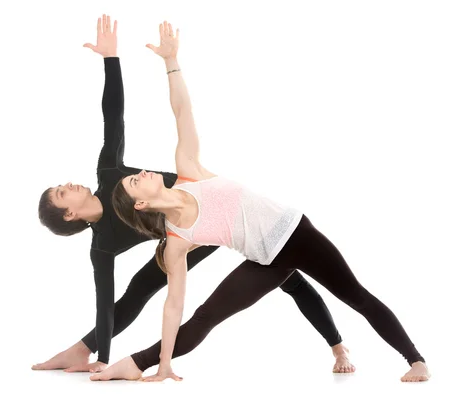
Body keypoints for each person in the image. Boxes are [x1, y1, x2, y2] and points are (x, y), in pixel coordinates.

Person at [94, 20, 430, 383]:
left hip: (295, 234)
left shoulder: (189, 171)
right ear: (140, 205)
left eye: (137, 173)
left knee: (356, 297)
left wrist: (171, 62)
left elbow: (182, 111)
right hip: (265, 259)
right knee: (206, 316)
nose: (142, 173)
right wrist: (164, 364)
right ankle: (137, 364)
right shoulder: (176, 241)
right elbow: (173, 305)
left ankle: (415, 360)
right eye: (134, 181)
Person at [32, 14, 355, 374]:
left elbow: (114, 117)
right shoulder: (103, 245)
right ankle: (87, 351)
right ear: (69, 215)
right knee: (143, 287)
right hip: (185, 234)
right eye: (63, 193)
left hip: (209, 200)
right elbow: (106, 301)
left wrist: (111, 59)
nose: (69, 185)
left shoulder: (108, 174)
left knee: (287, 272)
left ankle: (338, 347)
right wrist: (102, 355)